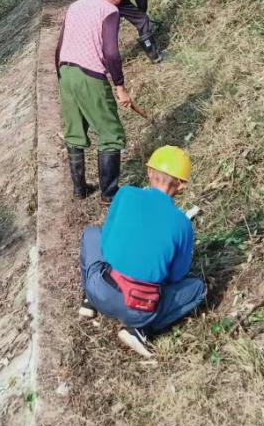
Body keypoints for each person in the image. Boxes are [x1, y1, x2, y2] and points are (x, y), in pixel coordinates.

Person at [78, 145, 205, 358]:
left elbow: (106, 244)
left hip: (100, 289)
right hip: (140, 307)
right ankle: (140, 329)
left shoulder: (125, 194)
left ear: (149, 172)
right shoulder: (182, 224)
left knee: (92, 233)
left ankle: (89, 302)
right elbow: (176, 276)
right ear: (182, 185)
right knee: (197, 288)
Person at [55, 0, 130, 202]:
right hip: (90, 76)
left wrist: (61, 75)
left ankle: (79, 191)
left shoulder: (75, 6)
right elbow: (111, 53)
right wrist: (119, 86)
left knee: (74, 132)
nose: (120, 2)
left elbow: (59, 45)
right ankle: (109, 194)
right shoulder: (109, 10)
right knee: (110, 133)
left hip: (65, 71)